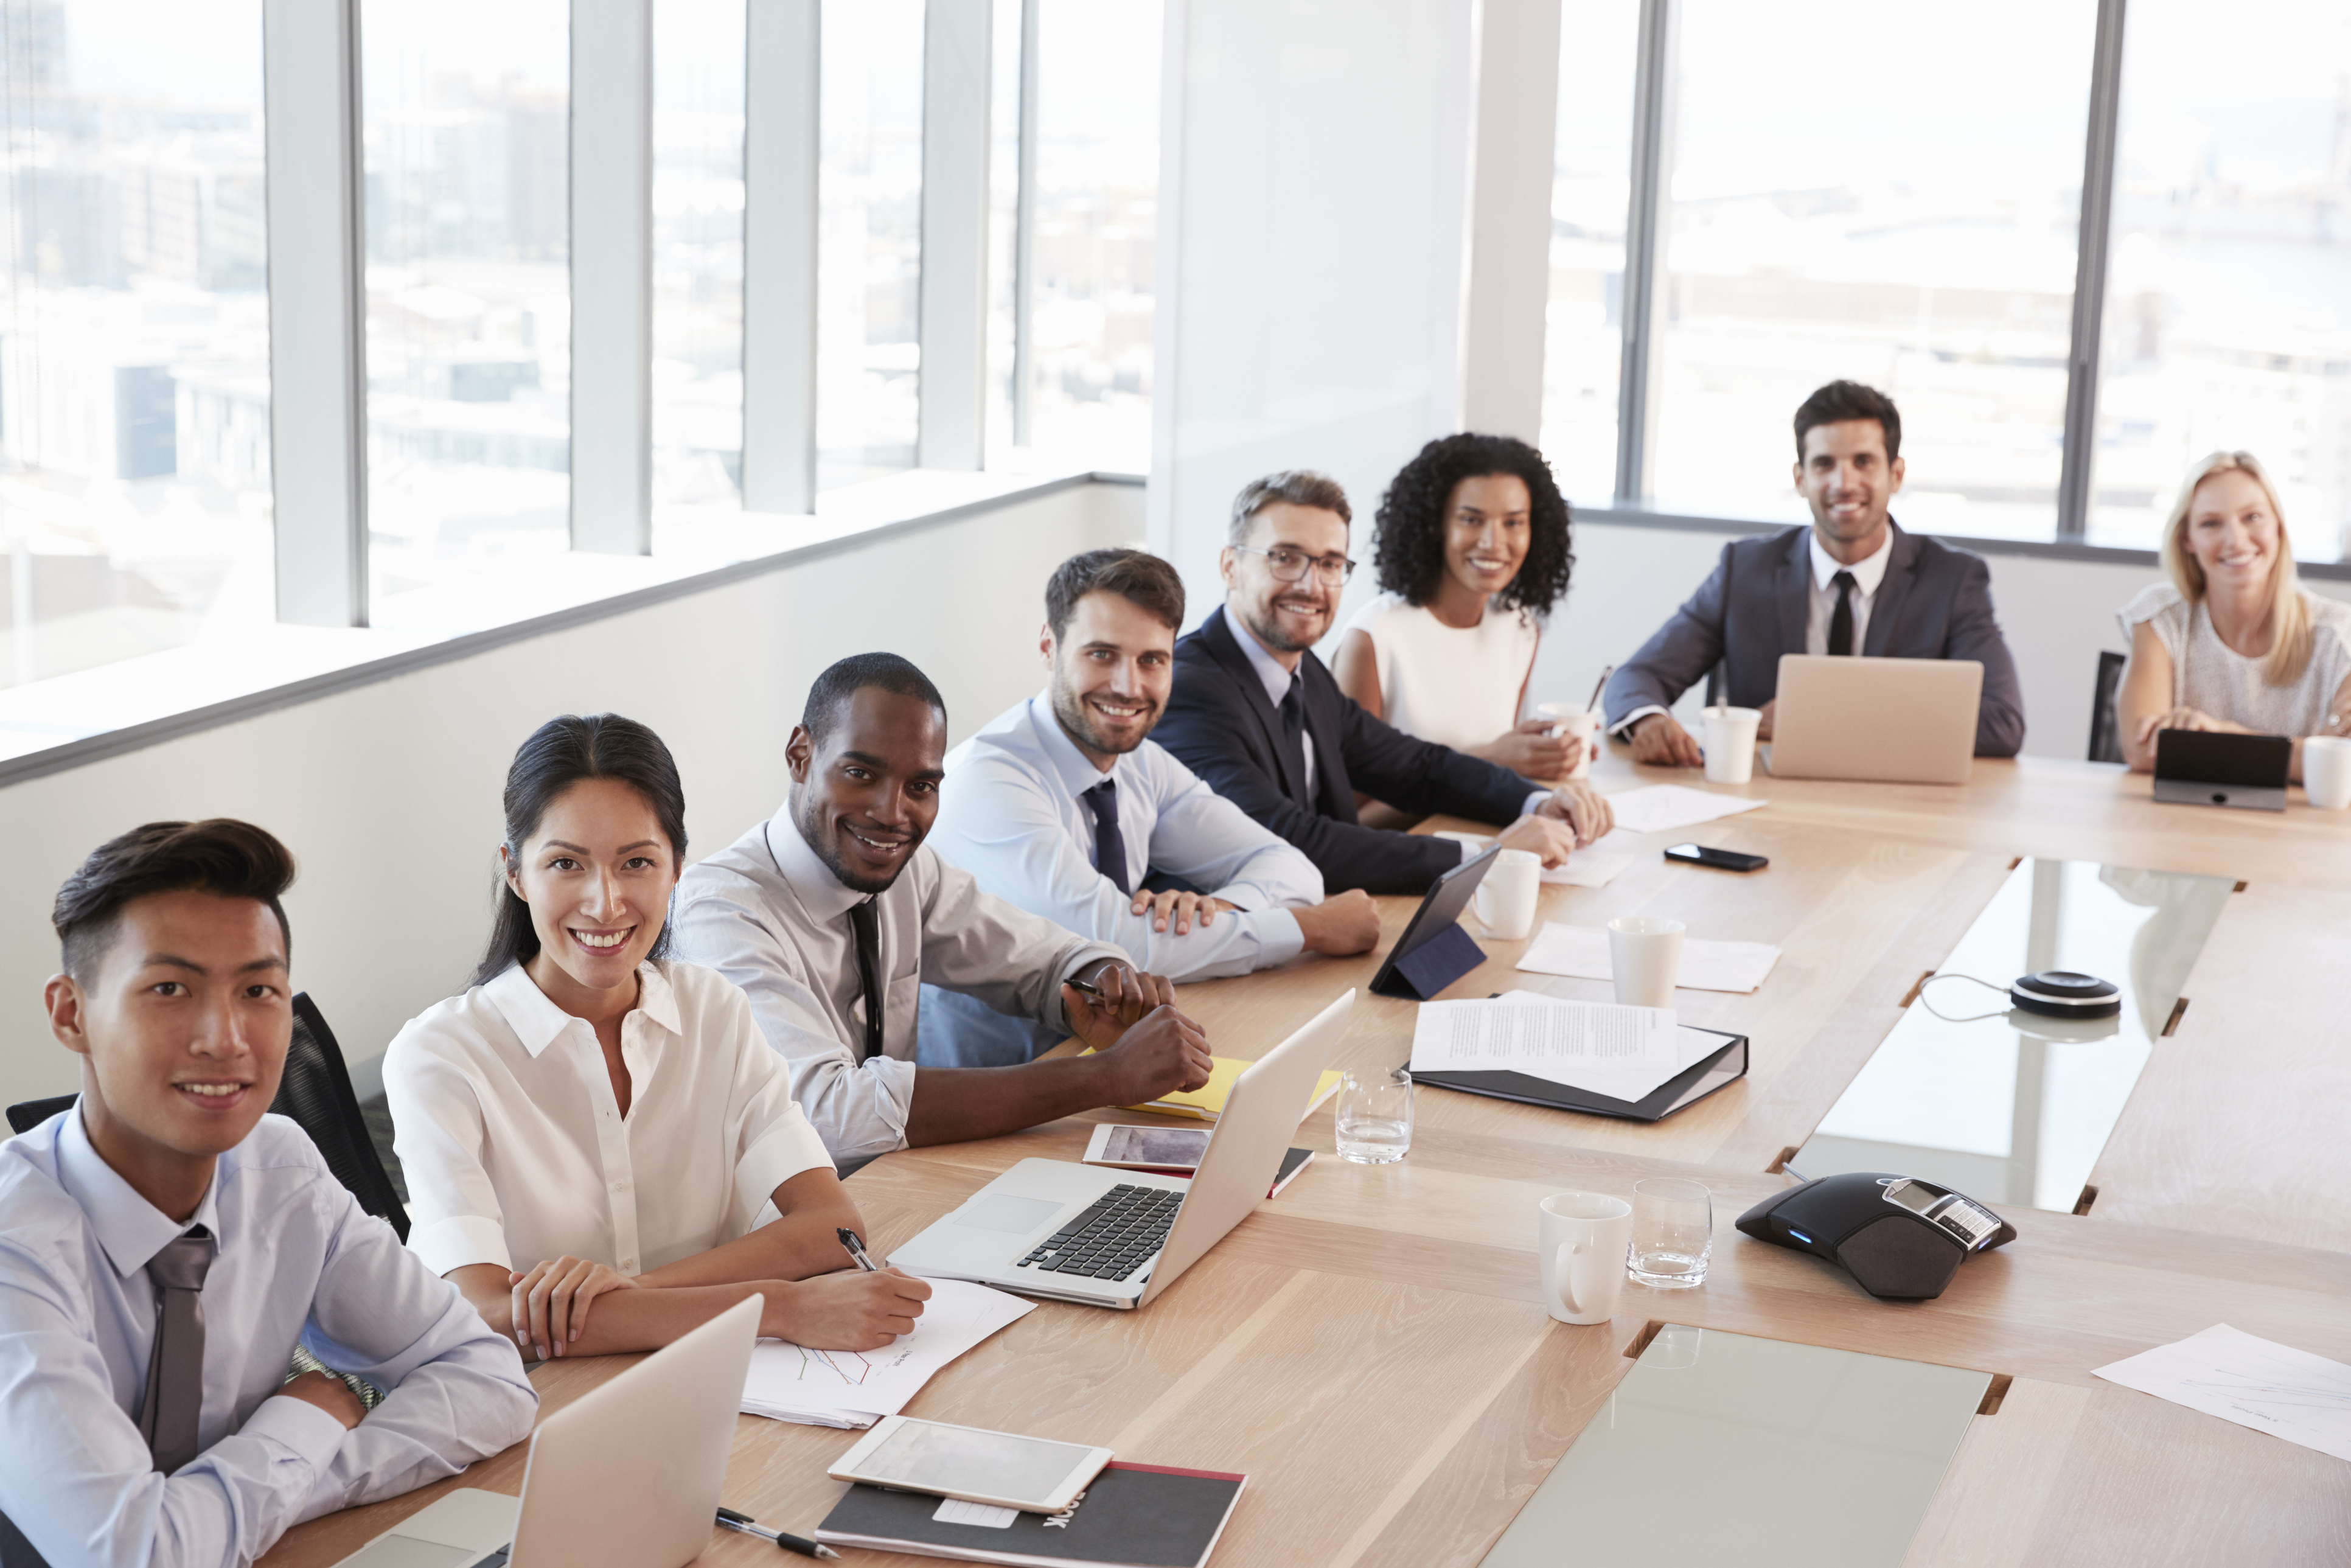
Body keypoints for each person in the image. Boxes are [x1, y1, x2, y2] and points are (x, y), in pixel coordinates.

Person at [0, 820, 536, 1568]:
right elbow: (135, 1556)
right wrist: (302, 1420)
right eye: (169, 989)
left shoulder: (276, 1165)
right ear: (70, 1014)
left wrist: (278, 1483)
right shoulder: (14, 1250)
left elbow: (487, 1381)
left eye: (258, 989)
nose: (225, 1036)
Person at [384, 714, 931, 1369]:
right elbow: (487, 1313)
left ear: (676, 866)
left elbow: (831, 1231)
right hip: (541, 1406)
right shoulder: (442, 1056)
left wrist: (627, 1296)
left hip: (729, 1384)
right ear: (515, 872)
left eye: (636, 862)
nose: (606, 903)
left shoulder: (713, 1011)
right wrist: (778, 1306)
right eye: (566, 864)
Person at [668, 655, 1214, 1166]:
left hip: (898, 1186)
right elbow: (829, 1112)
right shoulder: (720, 910)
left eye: (921, 786)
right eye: (860, 773)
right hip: (777, 1229)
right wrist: (1105, 1078)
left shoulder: (908, 871)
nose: (891, 813)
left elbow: (1041, 959)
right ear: (800, 755)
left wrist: (1098, 985)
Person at [921, 548, 1384, 1067]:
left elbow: (1290, 867)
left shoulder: (1142, 763)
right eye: (1101, 654)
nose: (1128, 685)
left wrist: (1223, 908)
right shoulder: (990, 780)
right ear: (1049, 646)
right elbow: (1117, 948)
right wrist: (1310, 928)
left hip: (1105, 1064)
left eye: (1151, 660)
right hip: (998, 1091)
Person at [1154, 470, 1614, 897]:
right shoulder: (1191, 690)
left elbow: (1417, 767)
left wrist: (1537, 801)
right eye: (1285, 558)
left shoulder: (1302, 670)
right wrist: (1488, 859)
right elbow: (1284, 838)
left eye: (1330, 564)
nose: (1311, 585)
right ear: (1230, 566)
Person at [1601, 380, 2025, 763]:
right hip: (1769, 805)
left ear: (1895, 475)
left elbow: (2002, 723)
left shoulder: (1952, 580)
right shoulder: (1745, 570)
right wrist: (1649, 720)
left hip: (1899, 807)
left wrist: (1821, 720)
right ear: (1801, 478)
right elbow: (1637, 677)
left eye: (1864, 462)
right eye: (1824, 464)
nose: (1844, 482)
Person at [1332, 433, 1581, 783]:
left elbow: (1498, 776)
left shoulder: (1519, 627)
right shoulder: (1374, 637)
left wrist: (1543, 757)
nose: (1493, 543)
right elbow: (1351, 809)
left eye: (1513, 522)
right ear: (1435, 525)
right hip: (1405, 838)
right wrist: (1489, 761)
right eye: (1471, 519)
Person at [2115, 450, 2351, 777]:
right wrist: (2305, 754)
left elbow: (2344, 768)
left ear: (2279, 527)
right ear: (2188, 540)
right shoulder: (2162, 618)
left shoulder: (2337, 633)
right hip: (2185, 822)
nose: (2236, 541)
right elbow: (2142, 751)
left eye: (2252, 517)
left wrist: (2221, 736)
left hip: (2296, 827)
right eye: (2211, 523)